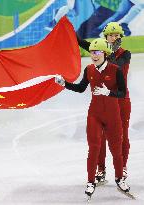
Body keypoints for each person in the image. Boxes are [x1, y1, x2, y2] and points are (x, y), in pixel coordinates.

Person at [54, 38, 130, 199]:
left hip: (112, 116)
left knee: (116, 150)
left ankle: (119, 179)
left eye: (97, 52)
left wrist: (108, 93)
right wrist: (64, 84)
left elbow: (123, 93)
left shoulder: (115, 70)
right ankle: (90, 181)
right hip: (94, 115)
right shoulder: (89, 69)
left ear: (105, 53)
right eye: (92, 53)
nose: (94, 55)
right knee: (94, 147)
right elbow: (81, 88)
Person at [77, 22, 131, 185]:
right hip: (102, 102)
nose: (113, 38)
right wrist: (69, 31)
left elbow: (116, 67)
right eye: (110, 35)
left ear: (120, 37)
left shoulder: (125, 54)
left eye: (116, 35)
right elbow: (85, 44)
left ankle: (122, 168)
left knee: (122, 136)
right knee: (99, 138)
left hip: (120, 101)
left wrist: (106, 52)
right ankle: (101, 169)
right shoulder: (101, 52)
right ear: (105, 36)